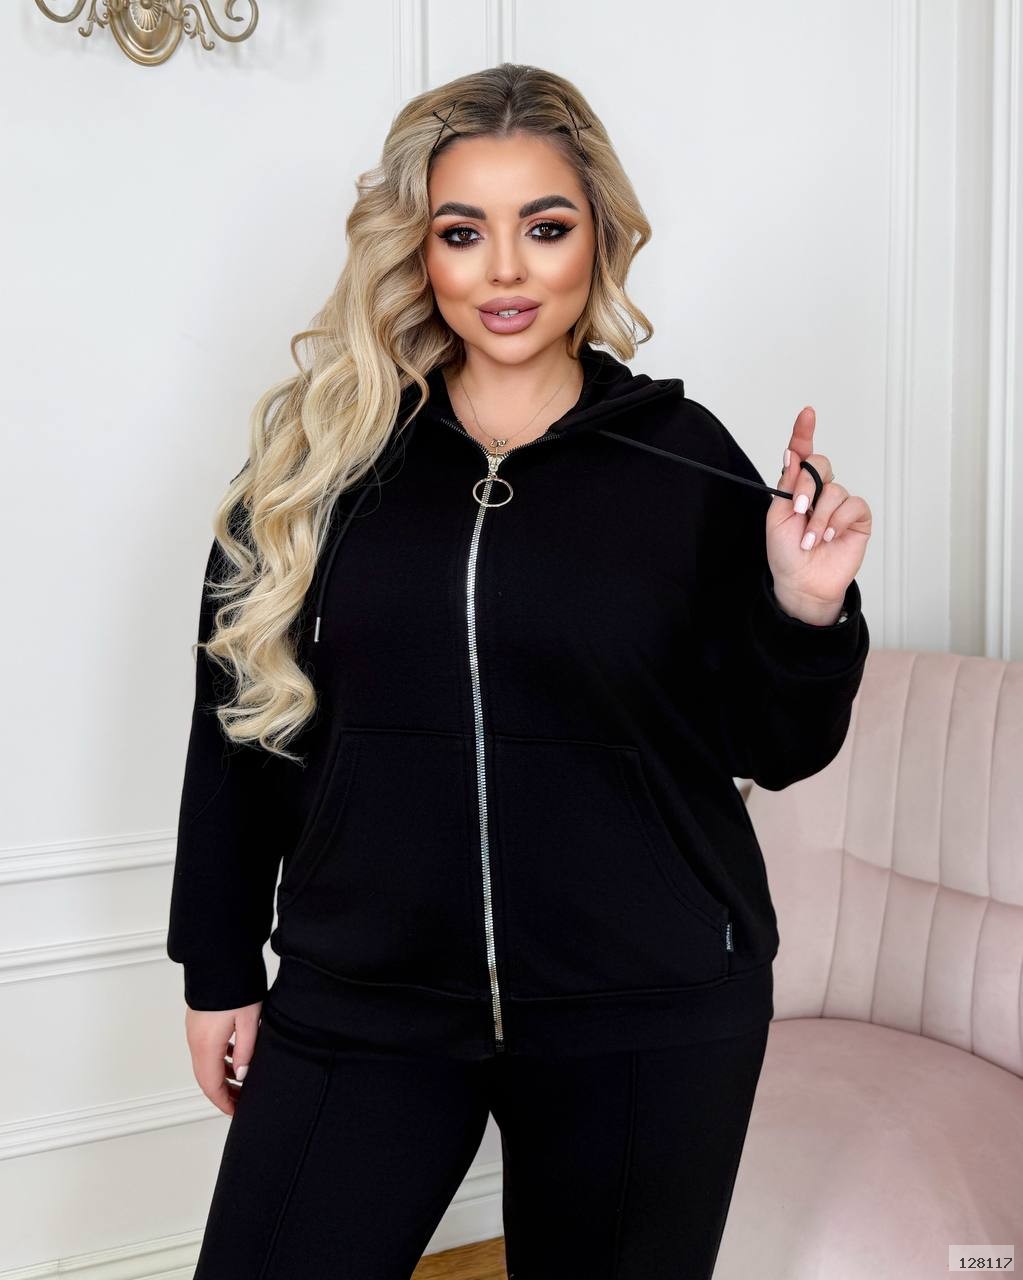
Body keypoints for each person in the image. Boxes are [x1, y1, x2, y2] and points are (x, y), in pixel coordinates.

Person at [167, 62, 872, 1280]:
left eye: (544, 228)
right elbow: (238, 730)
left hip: (646, 1006)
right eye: (462, 232)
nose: (504, 270)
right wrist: (219, 964)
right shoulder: (317, 467)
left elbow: (777, 745)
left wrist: (805, 608)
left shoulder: (685, 460)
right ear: (418, 247)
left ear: (598, 238)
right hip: (367, 993)